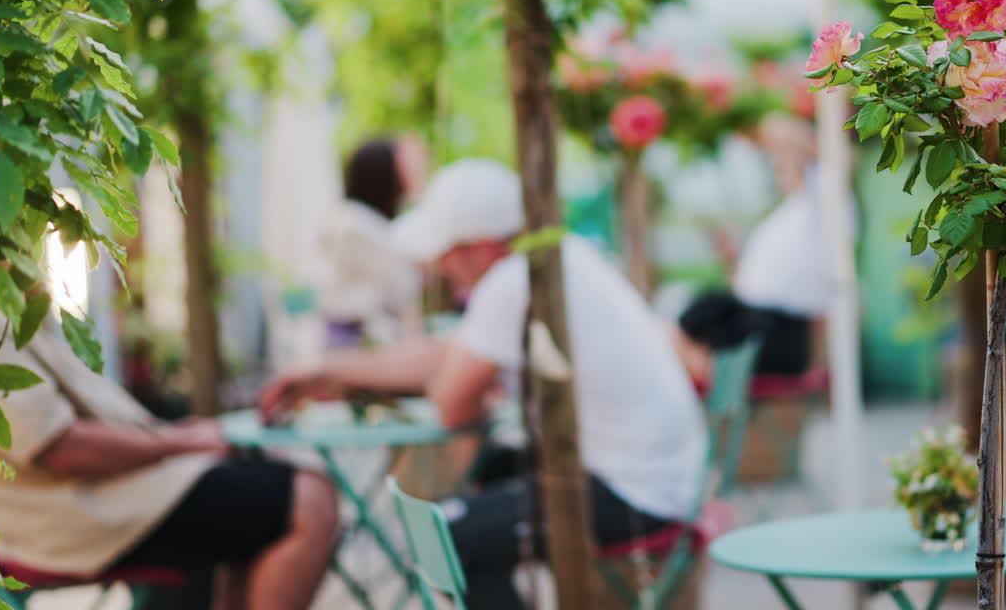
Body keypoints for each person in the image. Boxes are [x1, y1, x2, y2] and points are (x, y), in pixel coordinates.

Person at [260, 159, 707, 610]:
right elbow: (453, 355)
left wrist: (452, 379)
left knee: (449, 537)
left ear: (483, 246)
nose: (441, 264)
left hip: (636, 494)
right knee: (490, 474)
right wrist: (332, 370)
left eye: (448, 251)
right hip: (661, 481)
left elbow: (452, 405)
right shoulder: (554, 258)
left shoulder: (514, 282)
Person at [0, 314, 338, 610]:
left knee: (261, 491)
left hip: (71, 502)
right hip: (62, 515)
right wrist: (182, 441)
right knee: (308, 499)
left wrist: (178, 438)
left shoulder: (11, 294)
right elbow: (61, 447)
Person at [673, 114, 836, 384]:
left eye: (782, 160)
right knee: (691, 316)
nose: (777, 164)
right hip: (760, 317)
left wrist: (784, 138)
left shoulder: (820, 200)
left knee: (700, 316)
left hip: (781, 327)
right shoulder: (790, 210)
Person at [320, 137, 427, 349]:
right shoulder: (357, 225)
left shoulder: (361, 221)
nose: (409, 174)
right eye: (403, 167)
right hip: (360, 340)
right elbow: (403, 285)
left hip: (362, 336)